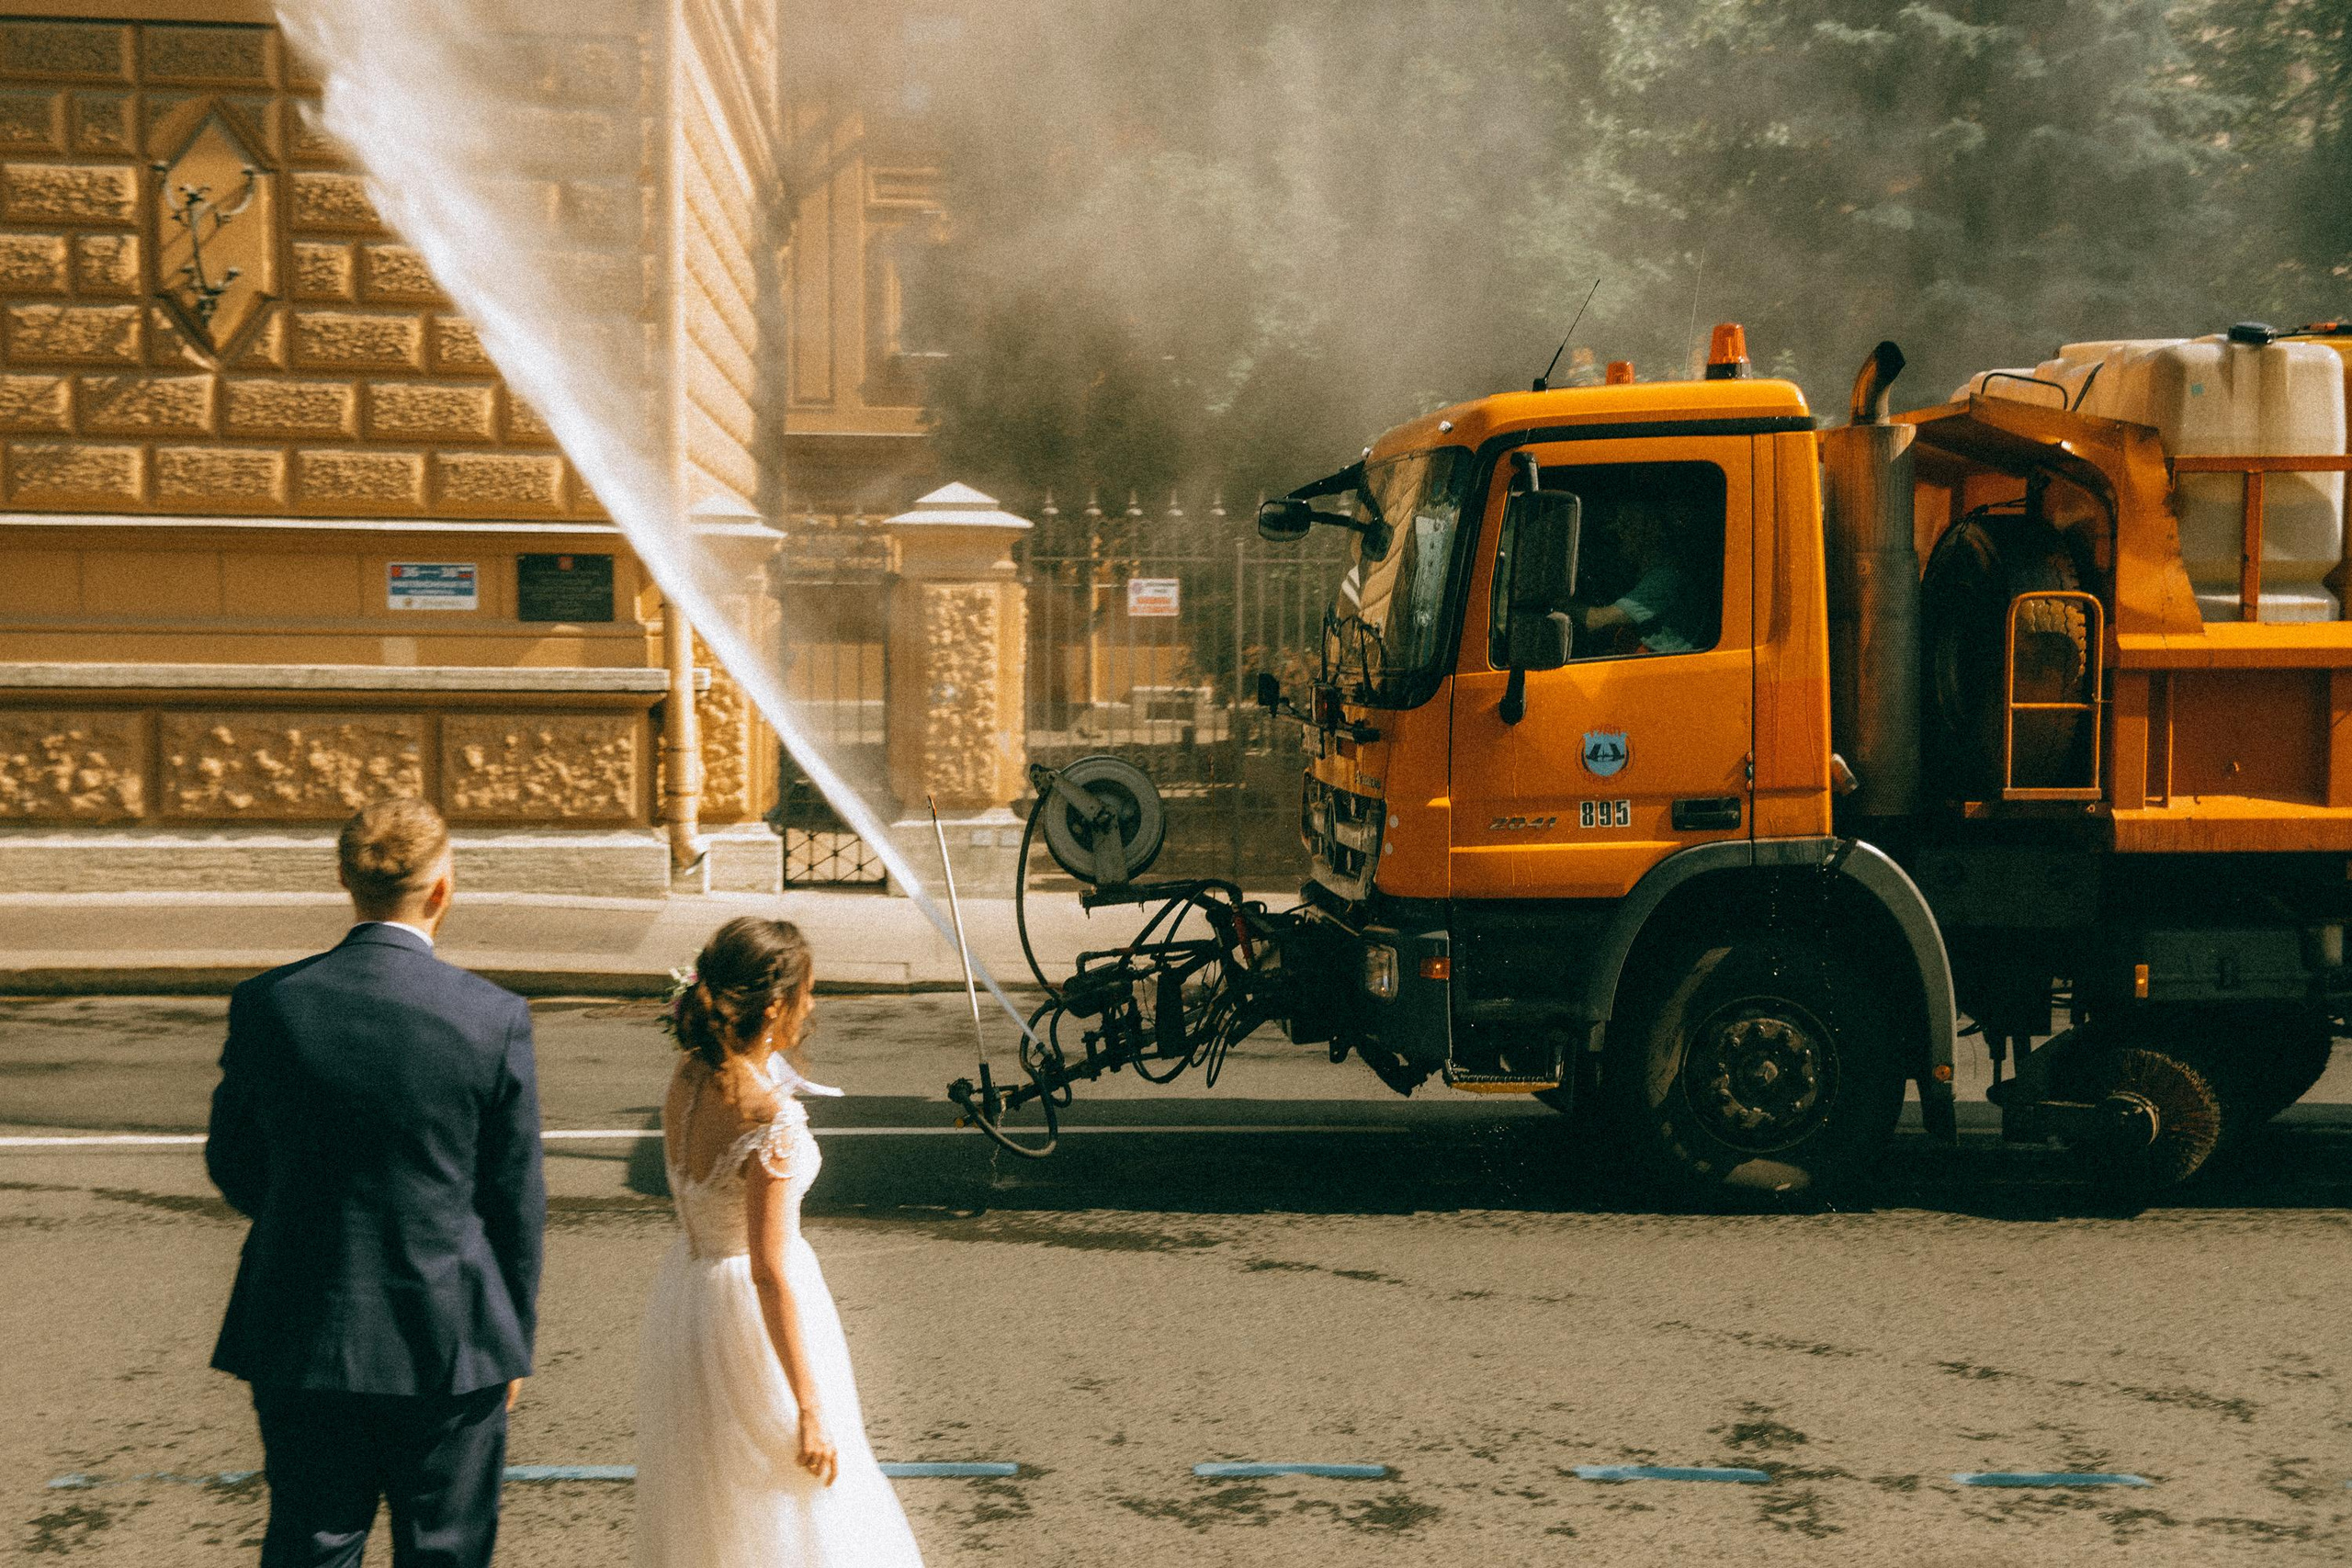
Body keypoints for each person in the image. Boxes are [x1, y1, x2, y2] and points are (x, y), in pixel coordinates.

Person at [207, 797, 544, 1568]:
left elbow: (232, 1161)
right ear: (442, 888)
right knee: (445, 1550)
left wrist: (305, 1205)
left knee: (313, 1540)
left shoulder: (269, 1003)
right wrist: (512, 1338)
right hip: (450, 1330)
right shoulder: (490, 1016)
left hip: (304, 1315)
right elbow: (513, 1201)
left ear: (343, 879)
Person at [635, 917, 925, 1568]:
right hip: (753, 1321)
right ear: (774, 1007)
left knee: (717, 1503)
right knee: (796, 1501)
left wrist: (767, 1062)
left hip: (690, 1296)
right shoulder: (771, 1119)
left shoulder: (688, 1075)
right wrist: (810, 1404)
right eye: (808, 993)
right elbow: (770, 1271)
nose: (813, 1005)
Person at [1568, 498, 1710, 655]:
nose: (1617, 532)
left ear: (1652, 531)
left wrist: (1557, 603)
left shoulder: (1665, 578)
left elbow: (1596, 621)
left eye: (1626, 525)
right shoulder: (1650, 574)